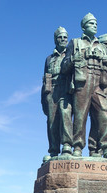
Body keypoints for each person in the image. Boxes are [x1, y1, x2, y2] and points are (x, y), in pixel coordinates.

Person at [61, 13, 107, 162]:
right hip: (83, 80)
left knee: (104, 114)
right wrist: (72, 60)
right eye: (91, 23)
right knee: (80, 115)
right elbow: (64, 68)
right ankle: (77, 147)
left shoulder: (101, 46)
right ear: (83, 26)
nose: (94, 26)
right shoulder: (75, 43)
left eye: (95, 24)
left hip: (99, 83)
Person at [41, 27, 73, 161]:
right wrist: (43, 98)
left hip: (65, 89)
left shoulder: (70, 54)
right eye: (60, 37)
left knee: (65, 114)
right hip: (51, 90)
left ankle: (67, 145)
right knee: (52, 121)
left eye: (65, 37)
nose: (63, 40)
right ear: (55, 39)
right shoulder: (49, 58)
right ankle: (54, 150)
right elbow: (44, 78)